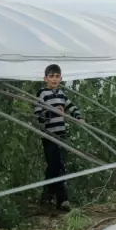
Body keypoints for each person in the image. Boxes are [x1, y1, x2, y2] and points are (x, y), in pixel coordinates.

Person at [33, 64, 84, 212]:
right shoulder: (42, 94)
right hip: (49, 135)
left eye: (57, 76)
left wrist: (78, 117)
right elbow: (38, 116)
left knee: (57, 166)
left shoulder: (61, 94)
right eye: (51, 76)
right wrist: (53, 113)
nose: (54, 79)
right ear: (45, 78)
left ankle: (49, 198)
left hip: (61, 135)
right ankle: (61, 199)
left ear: (61, 78)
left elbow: (71, 107)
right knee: (56, 166)